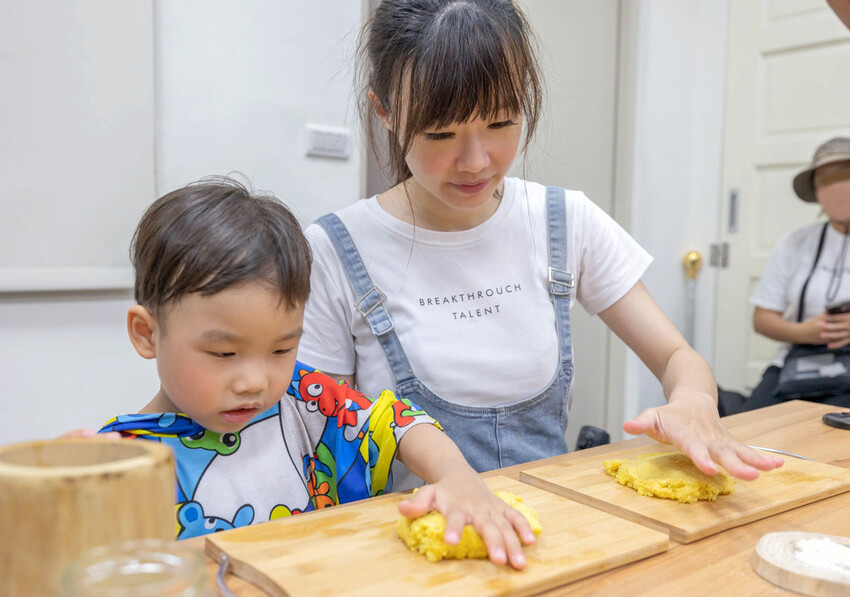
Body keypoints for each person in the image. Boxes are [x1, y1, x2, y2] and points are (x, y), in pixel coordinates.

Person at [298, 0, 782, 483]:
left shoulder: (564, 220)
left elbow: (678, 358)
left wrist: (694, 402)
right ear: (382, 109)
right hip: (405, 537)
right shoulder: (335, 249)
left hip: (552, 530)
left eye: (501, 123)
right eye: (440, 132)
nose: (475, 161)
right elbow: (326, 438)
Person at [97, 176, 535, 569]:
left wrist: (458, 478)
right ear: (147, 334)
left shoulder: (304, 398)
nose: (256, 380)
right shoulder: (120, 464)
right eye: (225, 353)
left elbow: (397, 423)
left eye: (282, 348)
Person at [741, 137, 850, 411]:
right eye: (825, 180)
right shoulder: (794, 243)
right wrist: (803, 332)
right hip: (798, 364)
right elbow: (763, 318)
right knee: (748, 432)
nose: (838, 189)